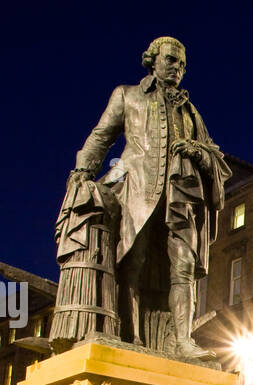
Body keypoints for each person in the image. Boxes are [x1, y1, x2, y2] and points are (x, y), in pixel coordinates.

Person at [66, 36, 231, 358]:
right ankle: (132, 336)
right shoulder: (127, 95)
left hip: (180, 196)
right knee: (132, 261)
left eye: (182, 65)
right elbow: (102, 135)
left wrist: (196, 151)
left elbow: (213, 152)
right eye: (171, 61)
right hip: (137, 188)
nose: (177, 69)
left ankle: (183, 342)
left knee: (183, 266)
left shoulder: (190, 110)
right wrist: (82, 170)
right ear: (152, 60)